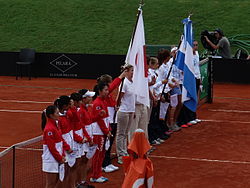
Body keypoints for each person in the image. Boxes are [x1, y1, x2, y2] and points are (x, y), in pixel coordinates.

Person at [41, 105, 68, 188]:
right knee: (51, 184)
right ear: (51, 115)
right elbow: (51, 147)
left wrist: (62, 155)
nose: (59, 114)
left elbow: (60, 142)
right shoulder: (49, 129)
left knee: (57, 181)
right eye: (57, 113)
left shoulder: (56, 125)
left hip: (57, 157)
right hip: (51, 159)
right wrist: (60, 158)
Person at [90, 82, 112, 183]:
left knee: (101, 154)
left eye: (108, 90)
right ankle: (95, 176)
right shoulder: (97, 103)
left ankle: (98, 174)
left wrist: (108, 129)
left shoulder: (103, 101)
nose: (107, 92)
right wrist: (106, 131)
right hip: (98, 133)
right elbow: (99, 120)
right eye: (106, 90)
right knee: (98, 155)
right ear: (100, 91)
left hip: (103, 132)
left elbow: (106, 118)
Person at [116, 64, 135, 164]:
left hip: (130, 111)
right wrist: (118, 106)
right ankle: (120, 154)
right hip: (124, 111)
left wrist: (133, 110)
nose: (133, 73)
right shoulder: (124, 83)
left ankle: (124, 151)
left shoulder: (132, 82)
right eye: (131, 71)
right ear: (126, 72)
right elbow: (119, 97)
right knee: (121, 133)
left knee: (125, 133)